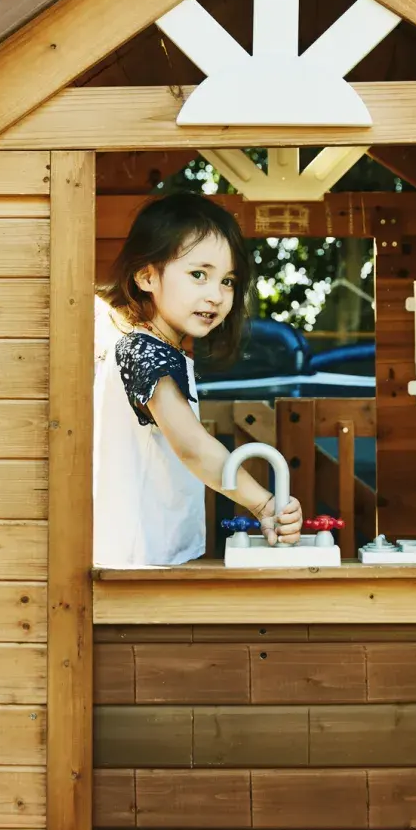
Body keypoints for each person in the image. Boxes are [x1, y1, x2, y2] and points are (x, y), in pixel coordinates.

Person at [94, 193, 304, 566]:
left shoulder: (161, 350)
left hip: (154, 555)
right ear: (146, 275)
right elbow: (193, 446)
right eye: (198, 275)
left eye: (227, 281)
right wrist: (263, 502)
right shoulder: (143, 350)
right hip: (134, 559)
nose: (216, 295)